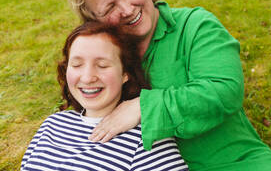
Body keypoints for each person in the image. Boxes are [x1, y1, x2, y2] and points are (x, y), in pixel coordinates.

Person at [69, 0, 271, 171]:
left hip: (232, 163)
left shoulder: (196, 26)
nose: (127, 10)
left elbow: (225, 90)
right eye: (109, 8)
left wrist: (142, 107)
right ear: (95, 22)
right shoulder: (105, 56)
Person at [21, 22, 189, 171]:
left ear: (125, 73)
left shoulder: (145, 137)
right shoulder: (51, 125)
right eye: (77, 64)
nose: (87, 77)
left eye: (102, 65)